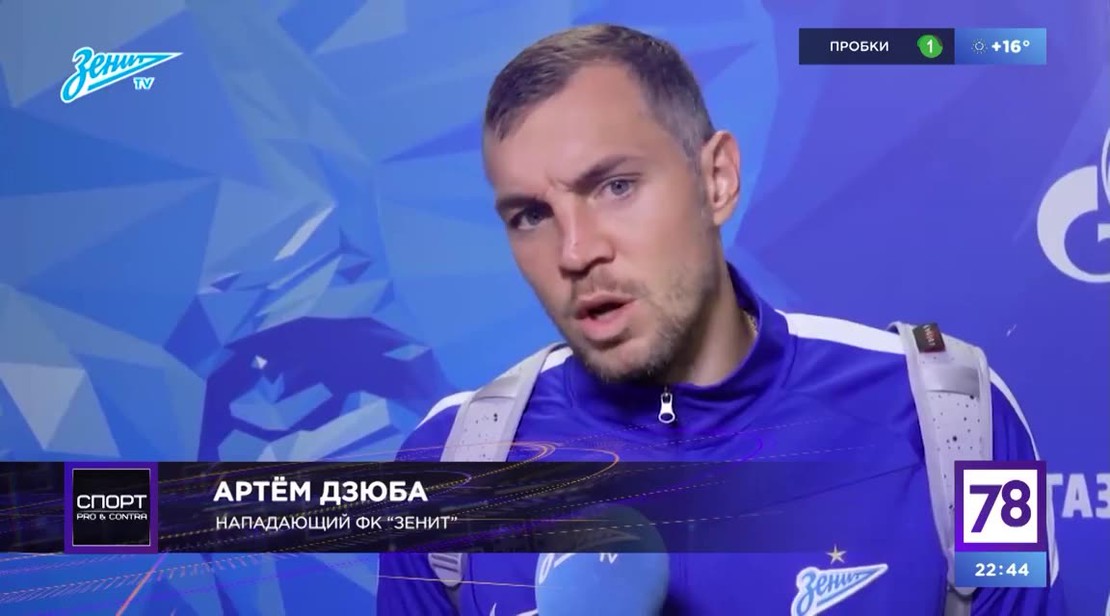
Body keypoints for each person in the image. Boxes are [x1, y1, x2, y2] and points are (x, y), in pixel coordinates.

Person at [377, 24, 1063, 615]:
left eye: (615, 186)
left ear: (717, 179)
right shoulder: (449, 466)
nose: (576, 252)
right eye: (532, 215)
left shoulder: (956, 418)